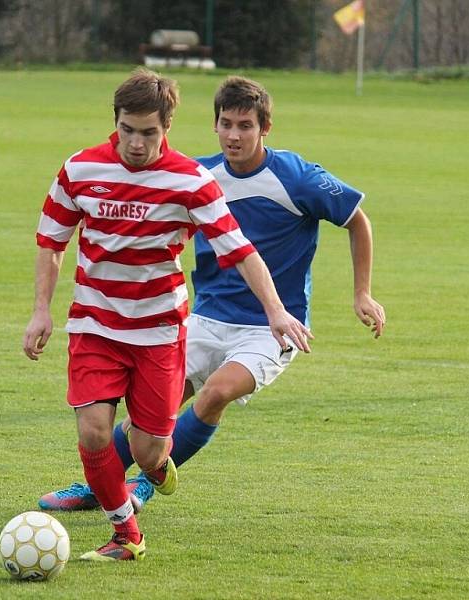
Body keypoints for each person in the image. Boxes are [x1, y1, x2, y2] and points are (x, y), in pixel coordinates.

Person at [37, 75, 386, 512]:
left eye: (245, 125)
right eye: (226, 124)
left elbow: (358, 220)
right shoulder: (197, 175)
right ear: (214, 125)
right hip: (203, 318)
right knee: (152, 419)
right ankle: (100, 486)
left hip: (270, 326)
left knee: (217, 391)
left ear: (265, 129)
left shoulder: (297, 178)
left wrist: (362, 293)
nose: (234, 135)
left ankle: (143, 484)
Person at [23, 69, 312, 562]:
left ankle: (155, 467)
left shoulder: (191, 182)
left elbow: (240, 251)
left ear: (168, 127)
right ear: (115, 121)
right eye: (128, 130)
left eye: (149, 132)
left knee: (148, 449)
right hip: (95, 324)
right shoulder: (79, 170)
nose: (136, 143)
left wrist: (277, 312)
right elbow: (52, 243)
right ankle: (126, 535)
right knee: (93, 433)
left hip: (159, 332)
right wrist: (40, 312)